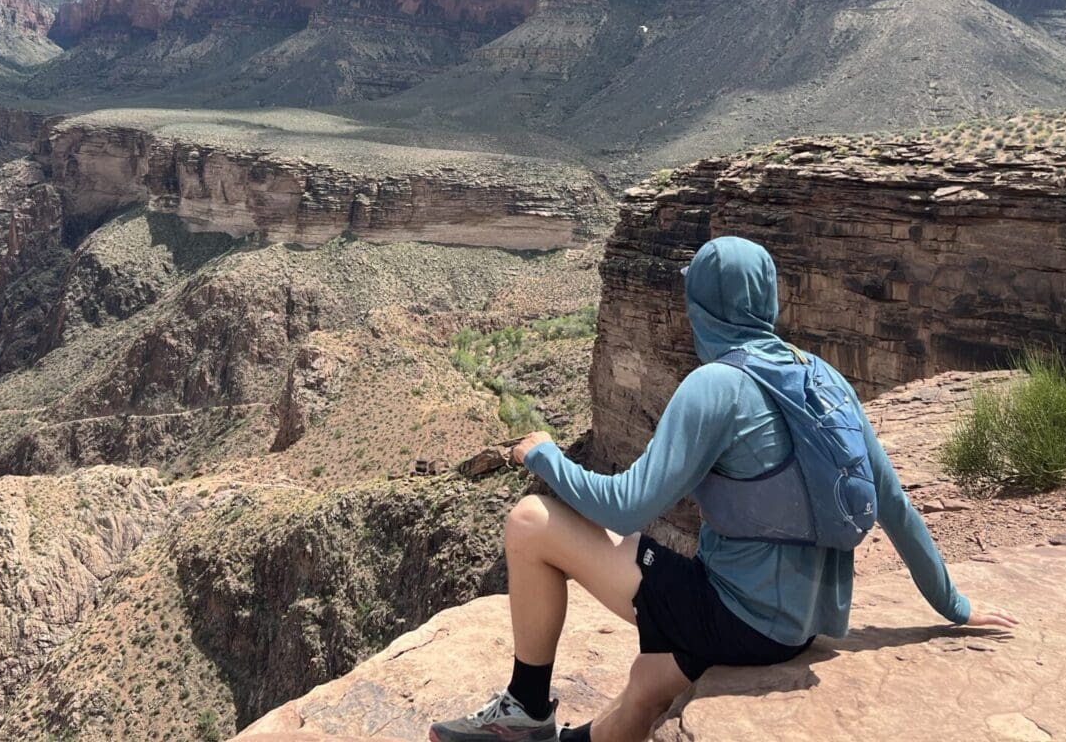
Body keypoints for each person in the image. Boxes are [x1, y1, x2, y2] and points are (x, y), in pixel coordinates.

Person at [430, 236, 1018, 742]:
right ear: (768, 299)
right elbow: (892, 502)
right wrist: (954, 607)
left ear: (700, 305)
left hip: (739, 618)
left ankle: (526, 709)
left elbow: (626, 504)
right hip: (799, 627)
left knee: (531, 522)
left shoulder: (716, 384)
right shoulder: (822, 377)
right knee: (645, 684)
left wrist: (546, 457)